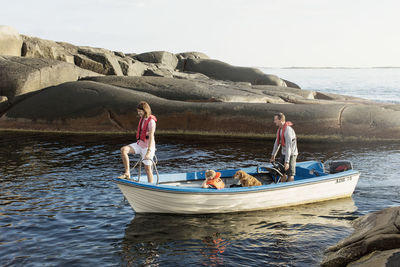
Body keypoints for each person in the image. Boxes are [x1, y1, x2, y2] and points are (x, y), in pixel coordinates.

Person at [118, 101, 157, 182]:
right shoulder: (142, 119)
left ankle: (151, 186)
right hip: (140, 144)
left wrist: (149, 152)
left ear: (145, 110)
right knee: (123, 150)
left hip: (148, 147)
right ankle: (127, 173)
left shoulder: (151, 121)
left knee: (147, 169)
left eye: (140, 111)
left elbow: (151, 137)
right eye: (138, 111)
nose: (138, 113)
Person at [270, 112, 298, 182]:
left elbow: (289, 147)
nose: (274, 121)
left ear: (280, 120)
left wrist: (287, 162)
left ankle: (290, 189)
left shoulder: (288, 131)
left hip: (291, 154)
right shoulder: (279, 130)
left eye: (275, 120)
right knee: (281, 173)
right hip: (284, 153)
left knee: (290, 174)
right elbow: (276, 143)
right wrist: (273, 155)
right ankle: (282, 186)